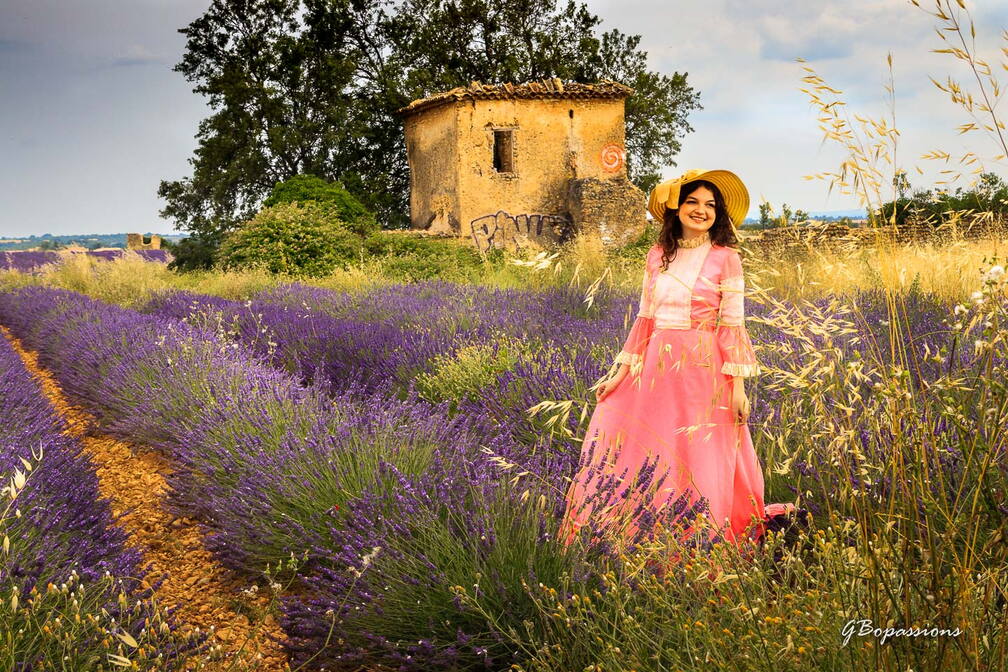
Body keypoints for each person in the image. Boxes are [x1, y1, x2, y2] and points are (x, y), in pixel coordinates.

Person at [558, 168, 794, 556]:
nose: (701, 210)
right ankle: (641, 533)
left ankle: (700, 538)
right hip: (655, 366)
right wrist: (619, 373)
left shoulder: (726, 258)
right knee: (647, 444)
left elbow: (732, 324)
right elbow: (645, 319)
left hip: (704, 370)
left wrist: (737, 389)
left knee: (696, 450)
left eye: (710, 205)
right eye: (692, 202)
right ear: (676, 208)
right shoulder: (657, 256)